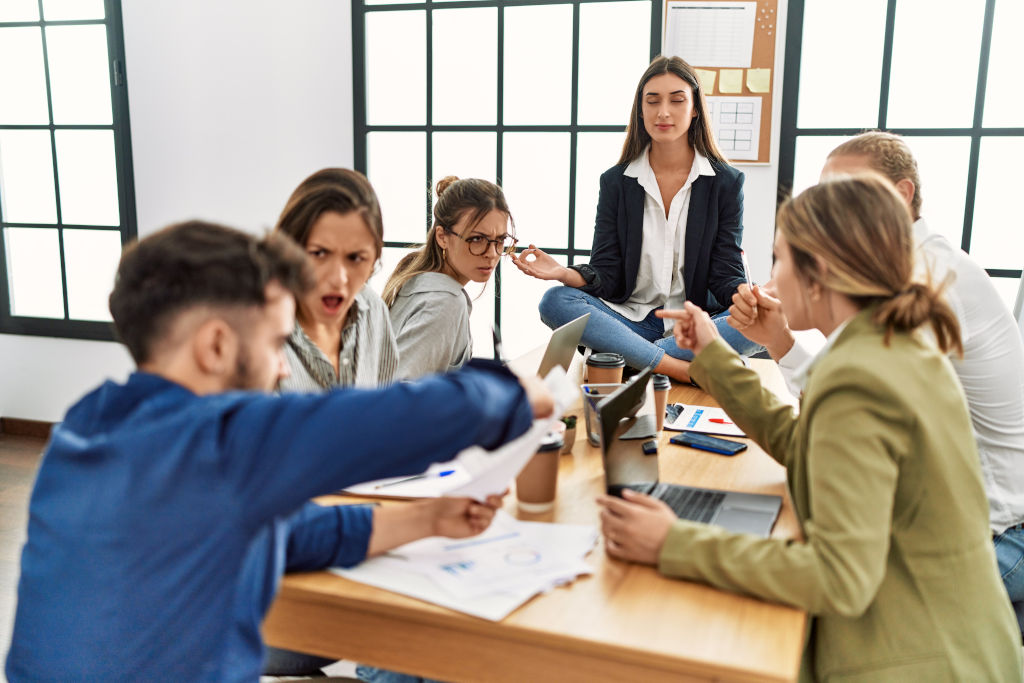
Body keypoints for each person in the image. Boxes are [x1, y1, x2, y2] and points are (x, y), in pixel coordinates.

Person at [5, 221, 553, 682]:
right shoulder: (216, 443)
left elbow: (287, 536)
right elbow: (395, 421)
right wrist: (517, 391)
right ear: (216, 345)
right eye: (273, 344)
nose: (283, 366)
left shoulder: (88, 425)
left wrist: (430, 518)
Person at [597, 175, 1021, 680]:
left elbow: (840, 578)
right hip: (962, 644)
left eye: (779, 258)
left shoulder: (860, 375)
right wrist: (712, 354)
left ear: (818, 274)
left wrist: (673, 543)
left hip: (917, 660)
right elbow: (806, 446)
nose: (768, 277)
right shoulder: (891, 343)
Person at [729, 131, 1024, 635]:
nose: (832, 209)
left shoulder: (929, 277)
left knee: (789, 619)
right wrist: (781, 338)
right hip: (947, 516)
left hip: (995, 533)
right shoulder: (899, 277)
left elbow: (850, 409)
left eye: (849, 191)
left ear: (901, 195)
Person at [511, 55, 761, 384]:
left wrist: (747, 297)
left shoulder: (726, 183)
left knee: (764, 321)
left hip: (693, 325)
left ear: (695, 108)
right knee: (556, 301)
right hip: (631, 318)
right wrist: (563, 272)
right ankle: (680, 369)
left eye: (677, 100)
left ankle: (634, 356)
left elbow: (724, 271)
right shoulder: (617, 183)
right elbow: (608, 274)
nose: (663, 112)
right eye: (652, 100)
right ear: (640, 109)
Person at [274, 167, 398, 390]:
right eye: (319, 253)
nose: (338, 279)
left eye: (356, 258)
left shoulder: (374, 313)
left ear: (374, 260)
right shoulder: (257, 327)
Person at [383, 176, 515, 379]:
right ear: (442, 237)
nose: (492, 253)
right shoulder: (445, 302)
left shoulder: (417, 278)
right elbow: (399, 396)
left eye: (500, 240)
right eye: (477, 239)